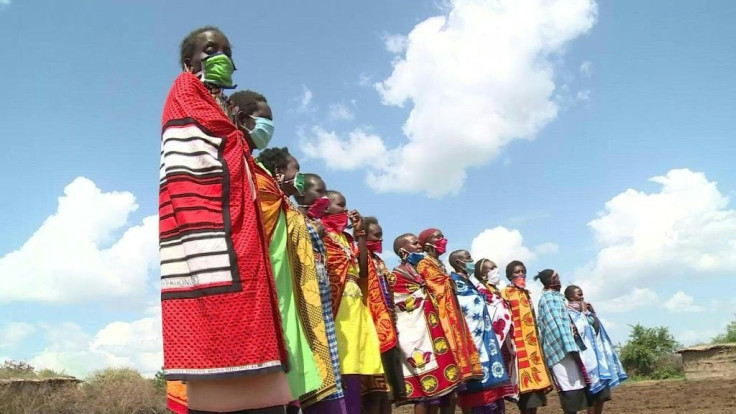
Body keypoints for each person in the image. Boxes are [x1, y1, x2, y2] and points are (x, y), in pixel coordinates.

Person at [159, 26, 289, 413]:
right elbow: (192, 166)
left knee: (264, 387)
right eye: (210, 49)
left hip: (244, 245)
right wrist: (239, 139)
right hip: (213, 242)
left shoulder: (217, 106)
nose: (221, 57)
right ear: (189, 62)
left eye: (227, 51)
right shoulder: (186, 90)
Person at [257, 148, 342, 407]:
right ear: (280, 172)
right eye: (298, 170)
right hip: (278, 293)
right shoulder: (265, 199)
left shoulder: (289, 208)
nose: (301, 177)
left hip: (298, 295)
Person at [321, 190, 385, 413]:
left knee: (357, 366)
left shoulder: (347, 239)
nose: (346, 210)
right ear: (325, 207)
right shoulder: (321, 234)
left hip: (355, 305)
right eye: (340, 205)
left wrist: (359, 236)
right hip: (337, 308)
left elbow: (364, 272)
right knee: (344, 364)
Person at [390, 234, 460, 414]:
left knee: (448, 389)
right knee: (424, 393)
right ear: (404, 251)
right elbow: (399, 304)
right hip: (415, 335)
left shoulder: (425, 269)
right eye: (415, 244)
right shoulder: (397, 275)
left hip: (435, 332)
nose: (420, 246)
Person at [294, 174, 347, 414]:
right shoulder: (292, 220)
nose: (324, 197)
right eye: (319, 191)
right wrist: (313, 231)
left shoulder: (319, 227)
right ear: (301, 195)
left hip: (323, 311)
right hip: (304, 312)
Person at [416, 229, 482, 388]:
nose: (442, 239)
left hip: (452, 311)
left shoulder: (439, 265)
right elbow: (436, 288)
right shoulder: (424, 263)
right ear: (427, 243)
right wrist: (448, 282)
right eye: (437, 237)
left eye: (442, 236)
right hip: (441, 314)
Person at [448, 251, 512, 414]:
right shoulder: (453, 283)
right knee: (478, 399)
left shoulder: (469, 283)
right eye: (468, 258)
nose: (471, 261)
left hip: (486, 345)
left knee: (494, 399)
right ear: (457, 262)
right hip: (472, 346)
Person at [362, 216, 406, 412]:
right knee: (374, 393)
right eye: (376, 236)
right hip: (370, 328)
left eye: (381, 236)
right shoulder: (359, 256)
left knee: (388, 393)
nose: (380, 241)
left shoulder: (379, 261)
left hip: (387, 328)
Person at [564, 285, 627, 414]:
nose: (582, 297)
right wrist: (583, 314)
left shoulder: (586, 313)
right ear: (571, 297)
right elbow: (580, 332)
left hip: (598, 359)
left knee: (601, 396)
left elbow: (597, 329)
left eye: (582, 295)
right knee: (591, 396)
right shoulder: (568, 314)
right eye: (579, 295)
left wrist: (592, 313)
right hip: (585, 360)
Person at [501, 261, 552, 414]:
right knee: (525, 395)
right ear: (509, 275)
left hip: (533, 350)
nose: (521, 274)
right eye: (517, 272)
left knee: (534, 395)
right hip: (518, 347)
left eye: (523, 271)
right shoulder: (505, 293)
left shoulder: (526, 293)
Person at [535, 270, 588, 414]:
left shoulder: (558, 298)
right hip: (559, 350)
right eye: (556, 277)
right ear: (550, 281)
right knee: (567, 391)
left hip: (568, 348)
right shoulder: (547, 299)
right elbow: (553, 326)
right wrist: (569, 344)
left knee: (576, 388)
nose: (559, 279)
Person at [474, 259, 518, 401]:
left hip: (504, 341)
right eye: (491, 268)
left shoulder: (497, 291)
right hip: (490, 341)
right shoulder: (480, 291)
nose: (495, 270)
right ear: (483, 274)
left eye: (496, 267)